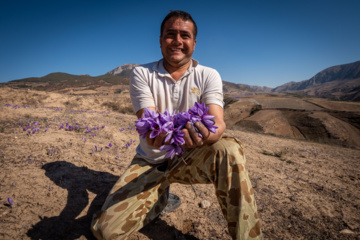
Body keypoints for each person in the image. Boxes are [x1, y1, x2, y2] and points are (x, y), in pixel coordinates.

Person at [91, 10, 263, 240]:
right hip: (151, 161)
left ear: (194, 43)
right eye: (170, 34)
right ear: (161, 40)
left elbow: (218, 123)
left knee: (229, 150)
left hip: (191, 156)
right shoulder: (142, 73)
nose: (177, 41)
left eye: (185, 35)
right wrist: (158, 135)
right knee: (105, 231)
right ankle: (159, 199)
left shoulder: (208, 75)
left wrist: (207, 137)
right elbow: (150, 123)